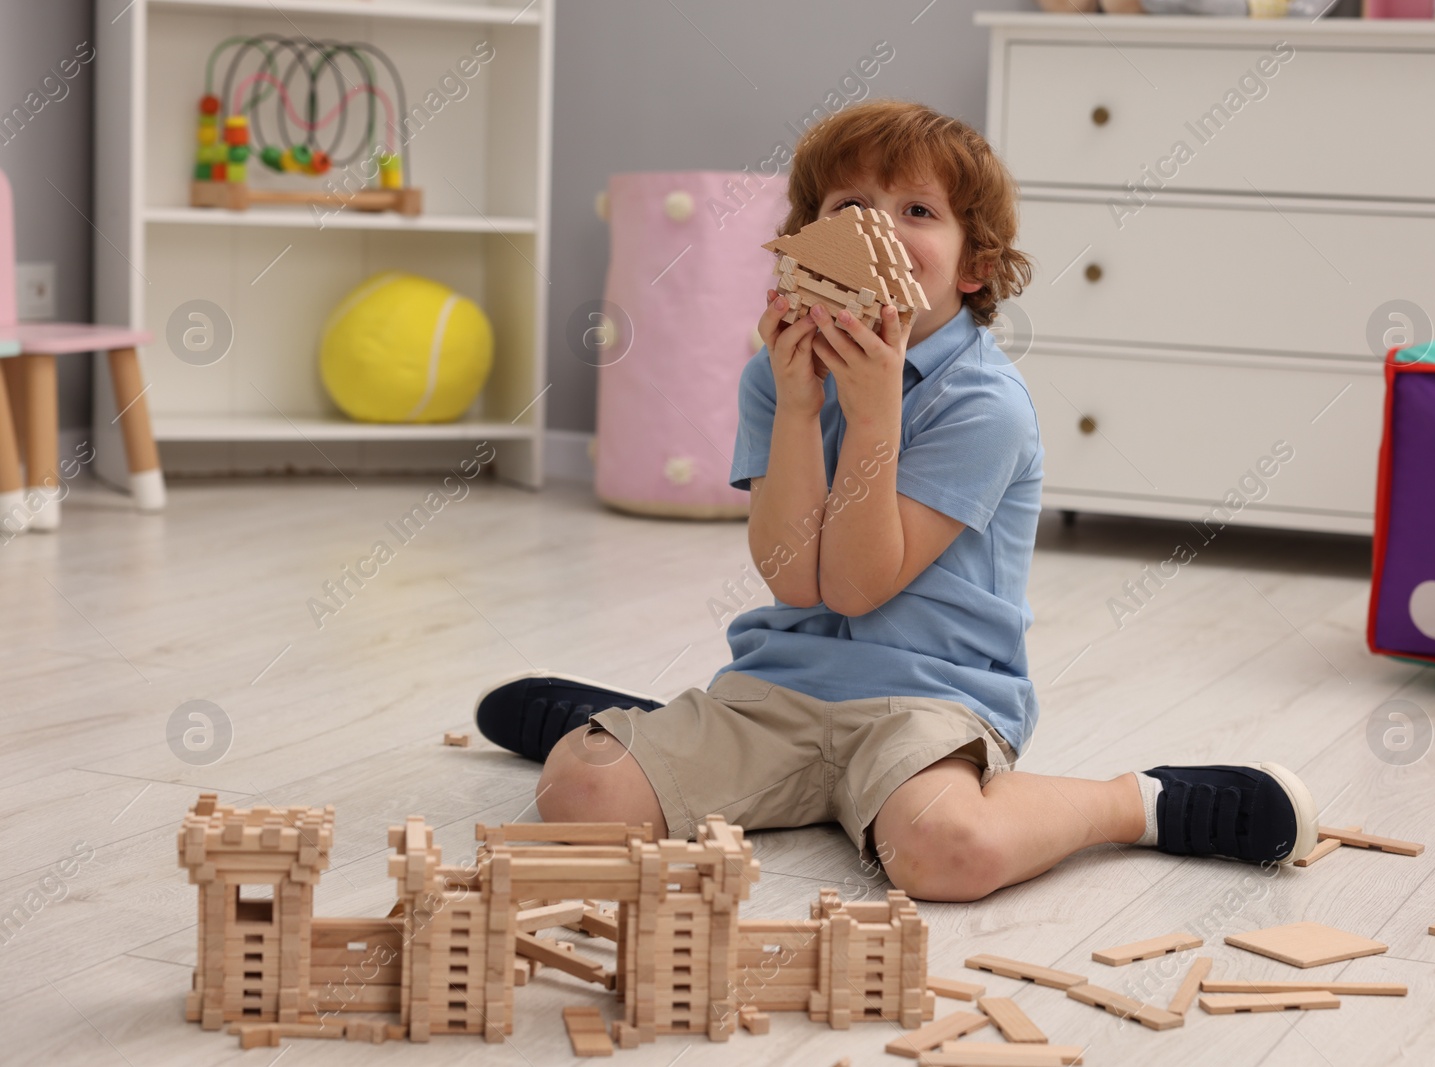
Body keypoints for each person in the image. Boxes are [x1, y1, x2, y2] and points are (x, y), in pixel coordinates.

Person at [476, 100, 1317, 902]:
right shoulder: (774, 377)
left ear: (975, 263)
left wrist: (875, 413)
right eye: (851, 206)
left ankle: (1136, 802)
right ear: (807, 239)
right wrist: (800, 405)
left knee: (951, 852)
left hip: (930, 701)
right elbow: (791, 582)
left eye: (917, 210)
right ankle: (630, 731)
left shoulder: (985, 402)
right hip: (783, 686)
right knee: (581, 794)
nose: (876, 231)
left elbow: (853, 585)